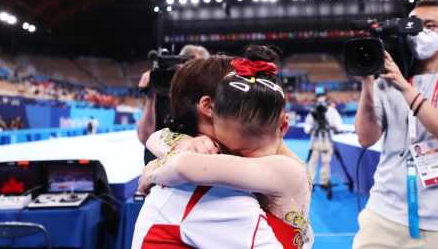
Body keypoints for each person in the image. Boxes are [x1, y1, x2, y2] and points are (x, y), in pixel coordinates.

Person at [137, 45, 314, 248]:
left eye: (245, 151)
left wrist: (152, 170)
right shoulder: (259, 142)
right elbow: (157, 137)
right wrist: (184, 142)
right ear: (210, 109)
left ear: (283, 127)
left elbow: (183, 166)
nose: (239, 157)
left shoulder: (284, 168)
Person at [353, 0, 438, 249]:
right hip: (382, 214)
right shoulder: (385, 82)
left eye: (430, 26)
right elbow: (366, 138)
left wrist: (403, 86)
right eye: (414, 26)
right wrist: (368, 83)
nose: (421, 33)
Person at [137, 45, 210, 165]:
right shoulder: (159, 94)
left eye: (196, 67)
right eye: (185, 66)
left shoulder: (207, 100)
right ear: (177, 67)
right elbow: (145, 139)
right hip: (158, 172)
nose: (190, 72)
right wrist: (150, 98)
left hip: (194, 170)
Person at [304, 94, 343, 187]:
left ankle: (324, 181)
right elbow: (308, 126)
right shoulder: (313, 111)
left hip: (327, 139)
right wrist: (310, 129)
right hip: (316, 139)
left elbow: (338, 125)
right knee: (312, 161)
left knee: (326, 161)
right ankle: (311, 181)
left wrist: (333, 127)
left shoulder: (332, 111)